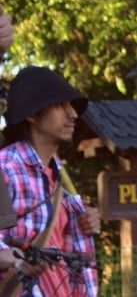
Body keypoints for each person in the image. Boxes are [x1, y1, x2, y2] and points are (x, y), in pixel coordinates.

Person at [0, 67, 98, 297]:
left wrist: (87, 222)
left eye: (71, 106)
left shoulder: (61, 177)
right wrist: (18, 261)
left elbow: (74, 253)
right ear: (32, 115)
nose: (73, 114)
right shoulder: (5, 170)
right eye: (60, 105)